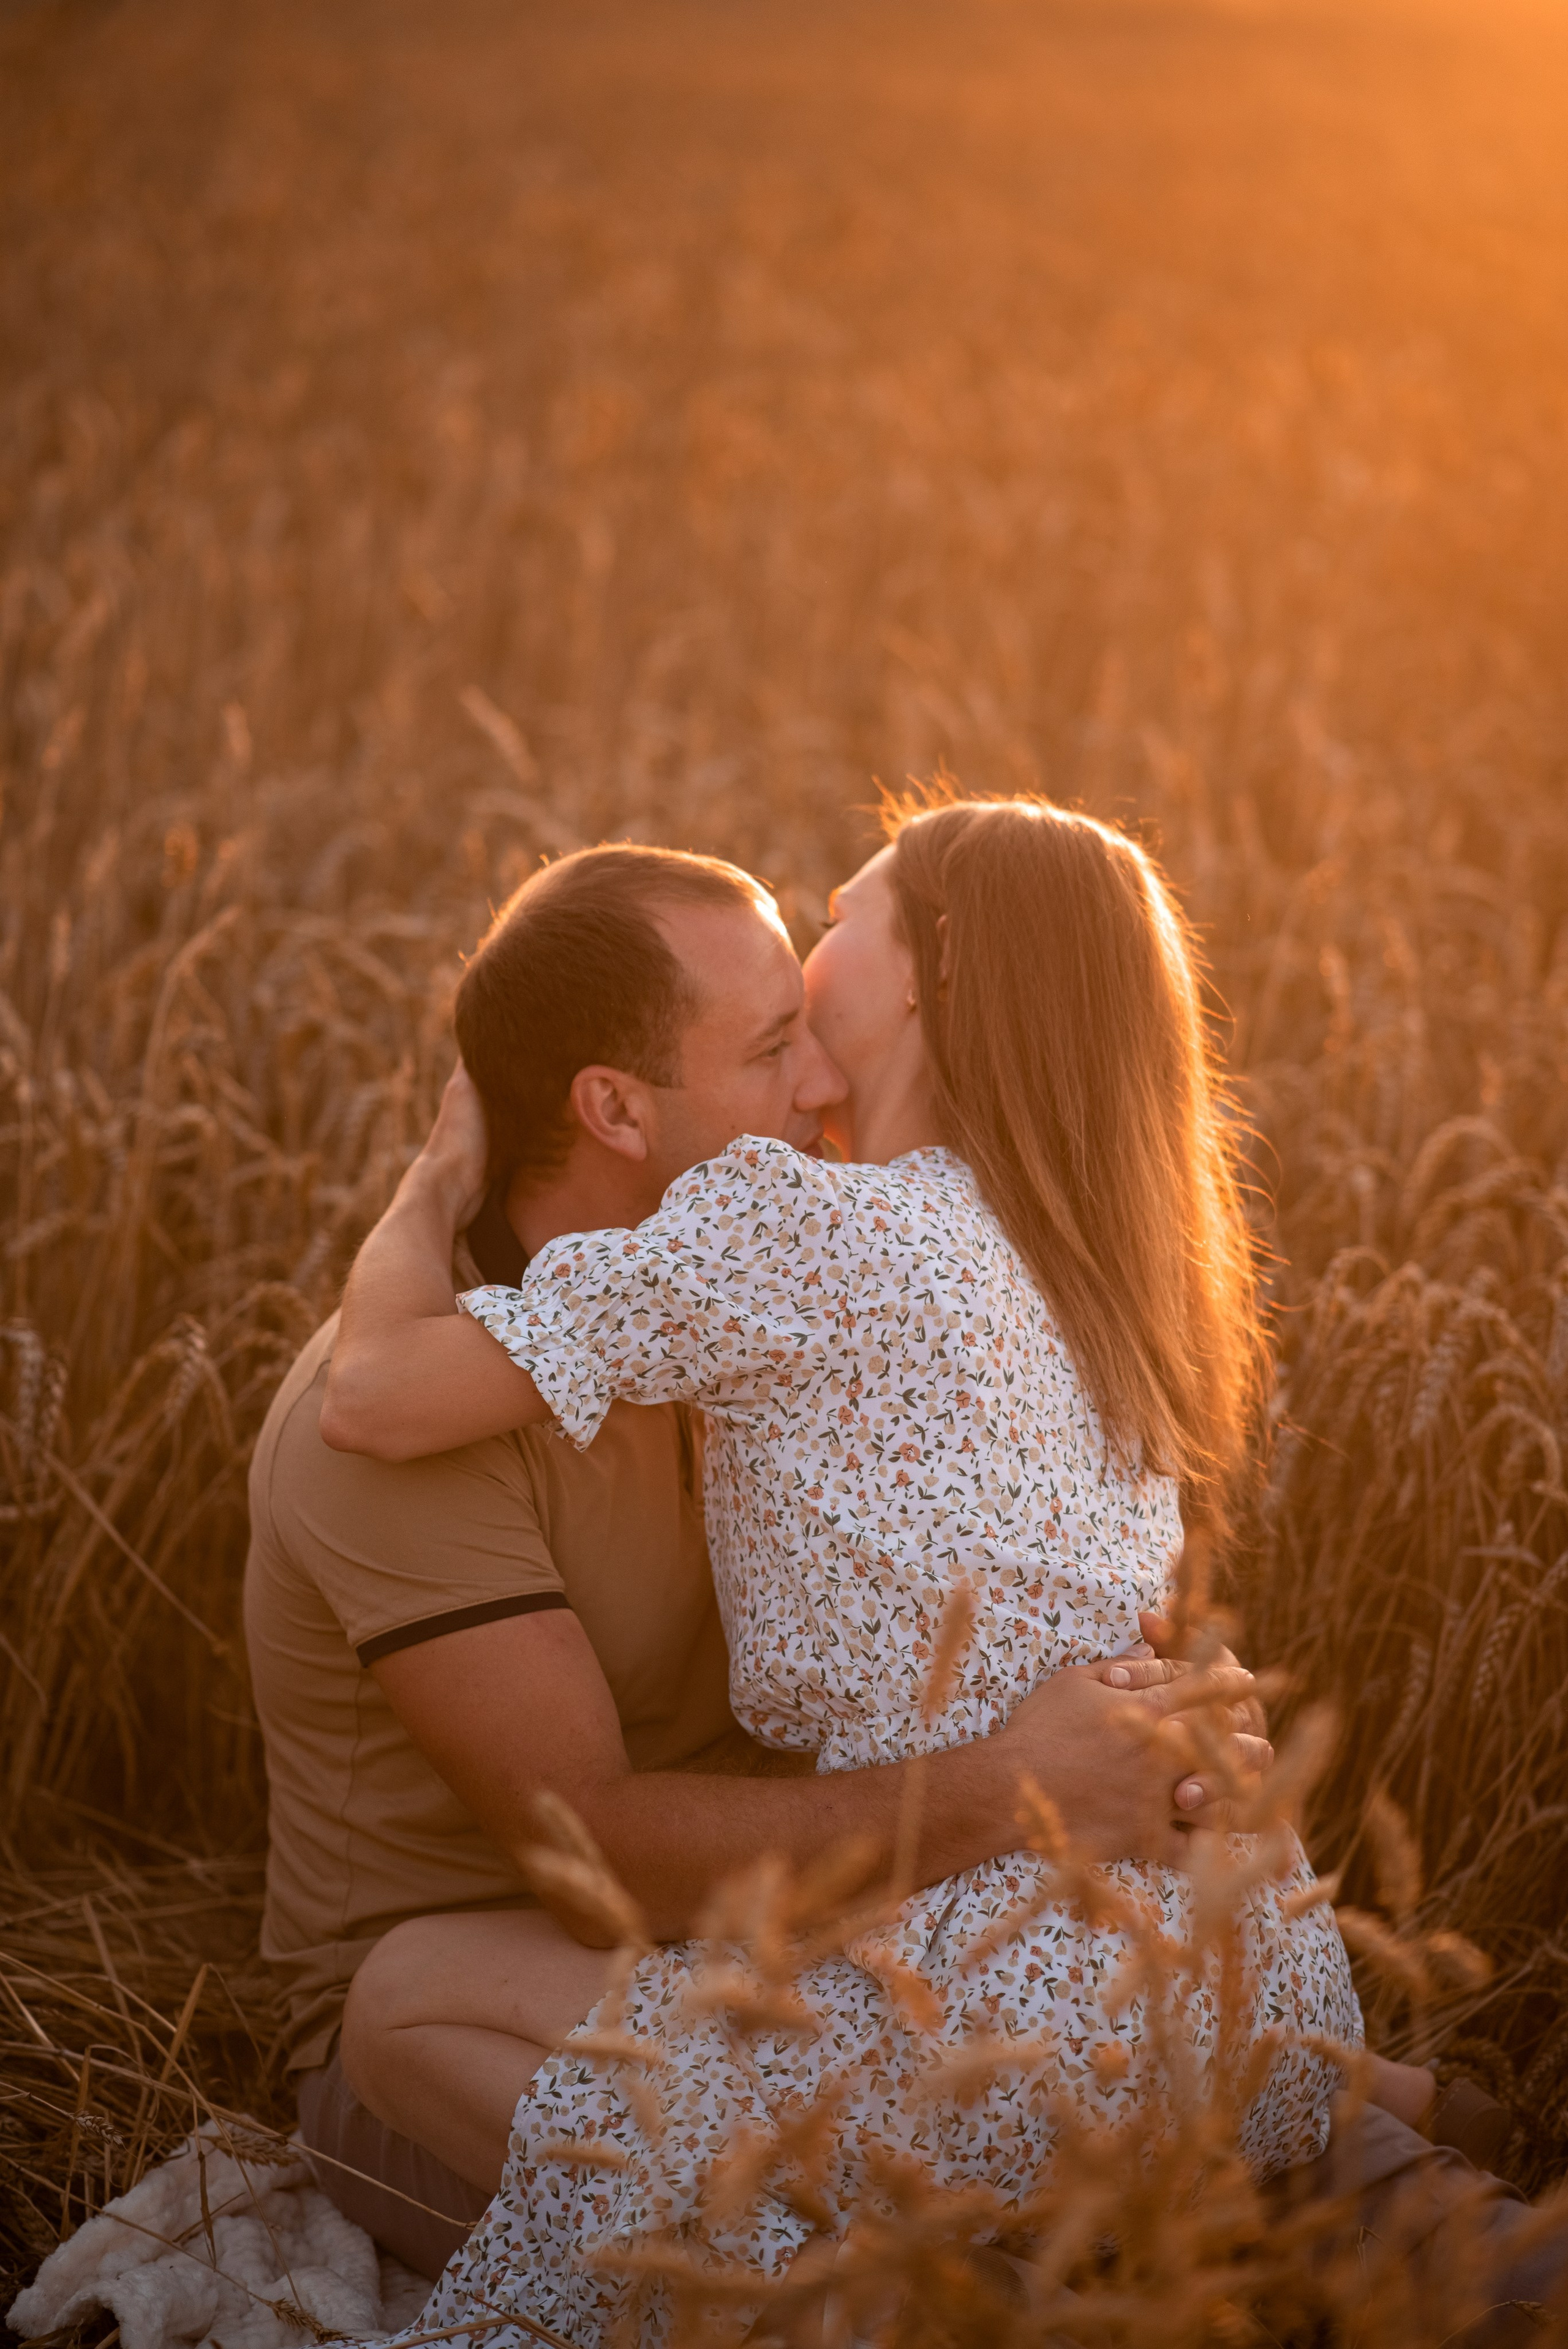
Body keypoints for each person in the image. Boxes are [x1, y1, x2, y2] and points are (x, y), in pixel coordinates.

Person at [321, 794, 1374, 2345]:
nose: (814, 957)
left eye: (839, 912)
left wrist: (431, 1177)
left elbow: (374, 1394)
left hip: (1000, 1989)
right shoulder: (1098, 1260)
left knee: (403, 1995)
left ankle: (848, 2294)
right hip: (1246, 1979)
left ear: (925, 966)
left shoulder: (799, 1234)